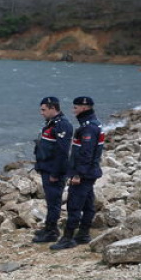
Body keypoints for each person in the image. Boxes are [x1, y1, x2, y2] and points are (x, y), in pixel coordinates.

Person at [51, 96, 104, 250]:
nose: (73, 110)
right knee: (88, 203)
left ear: (84, 108)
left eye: (75, 107)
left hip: (84, 173)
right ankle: (83, 234)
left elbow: (86, 154)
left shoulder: (88, 128)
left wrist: (77, 174)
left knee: (74, 205)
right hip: (90, 172)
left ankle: (67, 237)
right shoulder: (93, 124)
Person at [32, 96, 74, 243]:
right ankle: (49, 227)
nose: (41, 113)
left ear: (52, 108)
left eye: (43, 110)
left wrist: (55, 173)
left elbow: (63, 152)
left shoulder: (62, 125)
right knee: (50, 201)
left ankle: (51, 232)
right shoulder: (51, 123)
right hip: (46, 168)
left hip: (53, 171)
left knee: (54, 202)